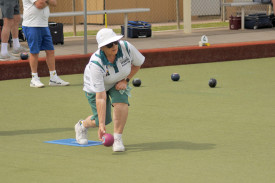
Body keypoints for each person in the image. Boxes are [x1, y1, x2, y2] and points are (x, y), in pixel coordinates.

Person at [74, 28, 145, 152]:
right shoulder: (96, 64)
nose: (114, 46)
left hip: (118, 82)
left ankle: (118, 139)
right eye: (109, 44)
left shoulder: (126, 47)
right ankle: (82, 125)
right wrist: (101, 124)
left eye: (116, 42)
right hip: (95, 88)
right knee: (102, 120)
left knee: (121, 103)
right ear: (102, 48)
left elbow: (137, 64)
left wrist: (125, 80)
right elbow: (101, 97)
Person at [22, 0, 69, 88]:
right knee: (35, 52)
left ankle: (53, 78)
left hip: (44, 25)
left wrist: (45, 1)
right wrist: (47, 2)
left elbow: (55, 3)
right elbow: (39, 4)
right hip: (31, 26)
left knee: (50, 51)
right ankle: (34, 79)